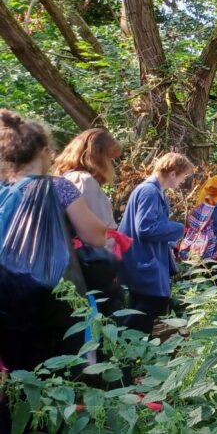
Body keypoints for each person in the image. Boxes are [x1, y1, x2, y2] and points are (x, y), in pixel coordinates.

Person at [0, 110, 107, 430]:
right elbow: (94, 235)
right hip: (57, 300)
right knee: (64, 373)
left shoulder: (2, 191)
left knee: (18, 374)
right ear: (44, 151)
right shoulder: (58, 187)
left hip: (6, 300)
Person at [53, 128, 128, 315]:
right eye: (110, 159)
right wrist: (112, 268)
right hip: (94, 266)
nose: (112, 165)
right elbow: (94, 233)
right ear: (98, 156)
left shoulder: (66, 177)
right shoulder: (83, 180)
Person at [117, 153, 193, 336]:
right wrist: (179, 228)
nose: (184, 180)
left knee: (146, 307)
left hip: (145, 259)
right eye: (184, 176)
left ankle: (132, 353)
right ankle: (126, 351)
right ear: (173, 173)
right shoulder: (149, 191)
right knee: (149, 305)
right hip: (143, 260)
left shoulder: (155, 191)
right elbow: (145, 227)